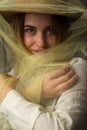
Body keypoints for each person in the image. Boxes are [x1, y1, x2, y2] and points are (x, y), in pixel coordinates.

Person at [0, 0, 87, 130]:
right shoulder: (18, 70)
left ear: (62, 31)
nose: (41, 42)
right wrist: (32, 92)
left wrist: (7, 93)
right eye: (30, 30)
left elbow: (59, 127)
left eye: (50, 30)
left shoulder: (76, 68)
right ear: (19, 30)